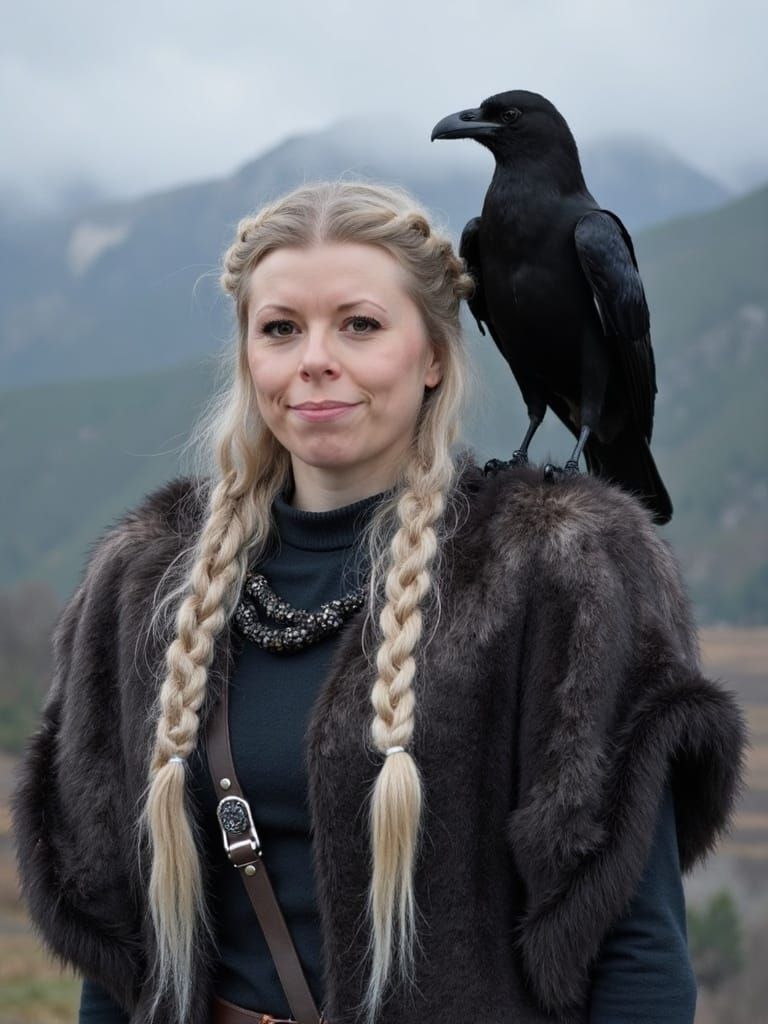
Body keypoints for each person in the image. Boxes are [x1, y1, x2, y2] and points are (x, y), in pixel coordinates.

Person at [11, 180, 747, 1024]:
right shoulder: (146, 580)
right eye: (281, 328)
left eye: (359, 325)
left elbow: (634, 944)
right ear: (249, 354)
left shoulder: (566, 570)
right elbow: (117, 949)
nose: (314, 357)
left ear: (432, 355)